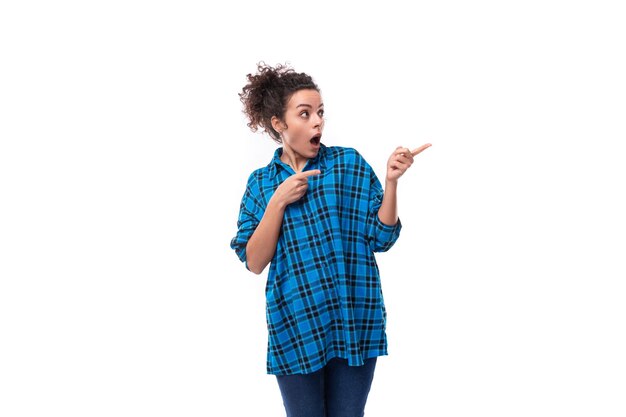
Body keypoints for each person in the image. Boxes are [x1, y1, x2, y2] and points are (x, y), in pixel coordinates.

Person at [230, 62, 431, 417]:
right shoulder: (260, 184)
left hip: (354, 319)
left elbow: (381, 237)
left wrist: (392, 182)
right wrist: (278, 201)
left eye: (320, 112)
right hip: (295, 326)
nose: (317, 122)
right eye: (304, 114)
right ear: (279, 124)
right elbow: (254, 261)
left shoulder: (348, 164)